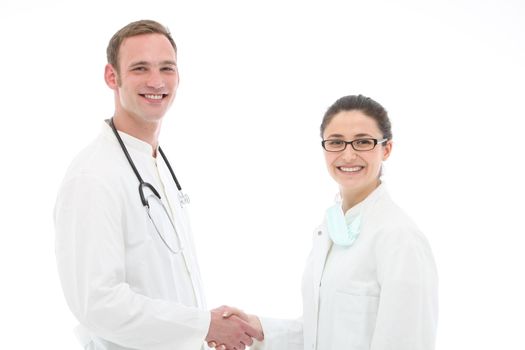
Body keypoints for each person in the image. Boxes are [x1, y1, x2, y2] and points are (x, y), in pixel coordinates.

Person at [54, 19, 262, 350]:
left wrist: (204, 329)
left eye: (167, 68)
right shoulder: (92, 177)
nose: (156, 81)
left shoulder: (155, 162)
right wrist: (203, 326)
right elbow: (99, 304)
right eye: (140, 68)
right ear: (112, 77)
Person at [218, 94, 438, 349]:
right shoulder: (330, 229)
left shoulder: (400, 238)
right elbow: (321, 329)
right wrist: (257, 329)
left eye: (363, 142)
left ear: (386, 149)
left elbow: (407, 340)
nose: (347, 155)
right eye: (336, 142)